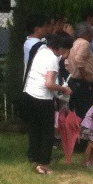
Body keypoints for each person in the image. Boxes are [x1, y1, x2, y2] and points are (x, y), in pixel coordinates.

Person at [23, 32, 73, 175]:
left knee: (35, 129)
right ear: (61, 47)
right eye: (66, 49)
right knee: (47, 133)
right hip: (42, 98)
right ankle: (43, 164)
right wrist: (64, 89)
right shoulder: (52, 59)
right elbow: (49, 84)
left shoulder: (42, 51)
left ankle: (34, 158)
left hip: (30, 93)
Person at [66, 21, 93, 118]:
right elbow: (79, 61)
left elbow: (67, 62)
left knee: (77, 110)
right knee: (86, 110)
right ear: (87, 33)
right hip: (83, 82)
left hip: (74, 80)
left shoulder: (74, 43)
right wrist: (85, 77)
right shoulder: (85, 43)